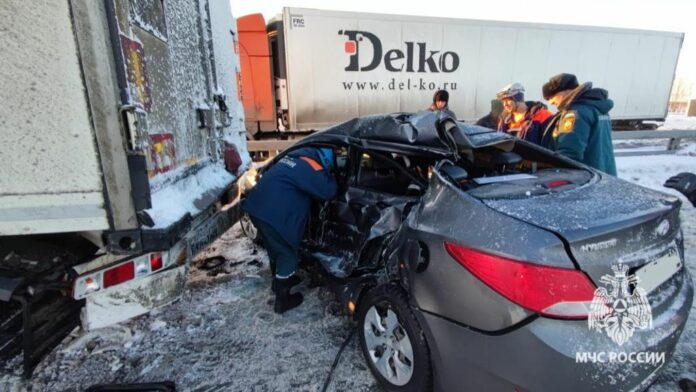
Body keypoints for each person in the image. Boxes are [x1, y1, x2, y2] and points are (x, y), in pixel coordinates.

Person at [242, 147, 337, 313]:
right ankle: (282, 301)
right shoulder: (312, 167)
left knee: (274, 249)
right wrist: (331, 175)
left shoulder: (293, 158)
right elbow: (328, 191)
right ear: (326, 161)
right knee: (287, 254)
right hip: (273, 216)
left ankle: (277, 282)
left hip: (256, 209)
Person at [541, 73, 617, 176]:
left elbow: (569, 152)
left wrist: (554, 175)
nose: (550, 102)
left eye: (551, 97)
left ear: (565, 91)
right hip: (604, 173)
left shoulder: (575, 113)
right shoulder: (598, 109)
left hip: (587, 178)